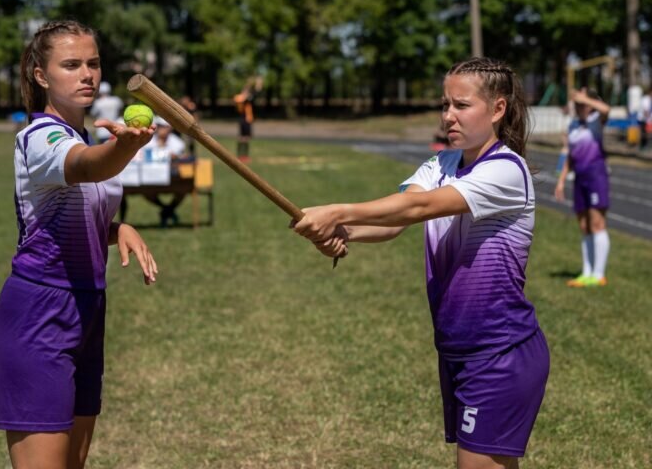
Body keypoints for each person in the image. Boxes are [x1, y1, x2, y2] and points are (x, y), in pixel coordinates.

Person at [294, 57, 549, 469]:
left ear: (498, 109)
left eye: (461, 105)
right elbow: (397, 219)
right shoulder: (443, 163)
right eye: (445, 104)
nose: (448, 115)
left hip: (500, 352)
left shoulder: (506, 170)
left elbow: (421, 207)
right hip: (459, 347)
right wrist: (341, 233)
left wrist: (337, 211)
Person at [0, 20, 159, 469]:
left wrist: (117, 229)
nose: (87, 74)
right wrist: (124, 148)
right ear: (41, 75)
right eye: (71, 65)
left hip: (87, 311)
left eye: (93, 63)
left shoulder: (82, 137)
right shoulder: (40, 138)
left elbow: (79, 209)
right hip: (38, 313)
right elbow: (85, 167)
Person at [554, 88, 611, 287]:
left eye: (582, 103)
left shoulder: (596, 121)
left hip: (596, 177)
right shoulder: (573, 125)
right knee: (584, 226)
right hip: (580, 178)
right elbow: (571, 156)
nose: (578, 105)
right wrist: (561, 181)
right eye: (577, 103)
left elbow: (606, 109)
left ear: (589, 103)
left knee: (597, 224)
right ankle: (586, 273)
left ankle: (599, 275)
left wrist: (586, 98)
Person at [120, 116, 189, 226]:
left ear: (170, 128)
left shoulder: (178, 143)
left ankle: (167, 210)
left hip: (173, 178)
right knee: (146, 191)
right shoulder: (148, 140)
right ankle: (167, 210)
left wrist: (177, 157)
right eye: (159, 126)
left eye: (163, 126)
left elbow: (183, 160)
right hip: (150, 178)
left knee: (183, 189)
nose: (160, 129)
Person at [233, 76, 262, 163]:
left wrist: (254, 83)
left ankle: (242, 155)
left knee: (244, 138)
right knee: (244, 138)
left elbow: (255, 92)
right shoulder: (241, 98)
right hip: (245, 120)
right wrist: (253, 83)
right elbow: (253, 92)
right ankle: (242, 155)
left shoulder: (240, 97)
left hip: (244, 119)